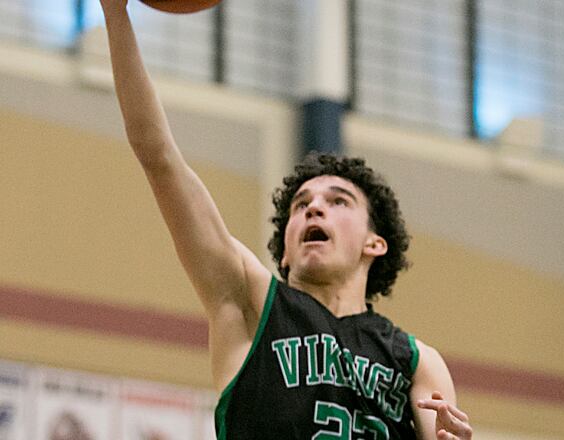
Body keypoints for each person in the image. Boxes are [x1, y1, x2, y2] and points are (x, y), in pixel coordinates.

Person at [99, 1, 473, 439]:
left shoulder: (416, 361)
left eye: (338, 201)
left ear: (374, 243)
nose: (314, 208)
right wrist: (115, 15)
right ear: (285, 251)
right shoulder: (251, 303)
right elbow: (159, 157)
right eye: (301, 205)